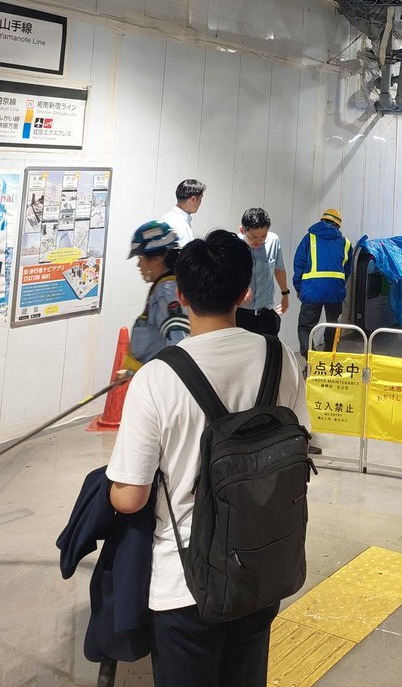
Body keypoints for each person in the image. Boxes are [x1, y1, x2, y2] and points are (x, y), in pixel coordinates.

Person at [106, 229, 309, 687]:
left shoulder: (157, 378)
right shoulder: (282, 358)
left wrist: (108, 490)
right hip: (262, 568)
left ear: (181, 295)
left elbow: (131, 498)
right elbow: (299, 445)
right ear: (245, 292)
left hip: (185, 587)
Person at [126, 221, 190, 368]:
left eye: (140, 258)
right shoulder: (166, 287)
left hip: (158, 378)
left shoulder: (167, 292)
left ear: (157, 259)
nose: (138, 265)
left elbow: (178, 344)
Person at [293, 208, 352, 360]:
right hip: (335, 291)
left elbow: (299, 263)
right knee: (332, 324)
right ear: (338, 225)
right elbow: (347, 270)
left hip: (312, 290)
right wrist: (338, 284)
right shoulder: (345, 243)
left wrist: (298, 287)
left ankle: (311, 360)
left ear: (322, 220)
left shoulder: (309, 238)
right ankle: (327, 359)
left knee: (306, 327)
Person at [237, 207, 290, 337]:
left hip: (266, 314)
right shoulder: (234, 245)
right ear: (242, 230)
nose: (258, 241)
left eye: (263, 236)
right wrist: (239, 291)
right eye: (253, 237)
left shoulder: (273, 240)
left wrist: (285, 294)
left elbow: (279, 269)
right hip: (240, 315)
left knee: (270, 348)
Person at [162, 180, 206, 248]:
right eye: (200, 198)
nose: (200, 202)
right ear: (193, 199)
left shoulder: (167, 217)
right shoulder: (180, 225)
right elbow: (184, 253)